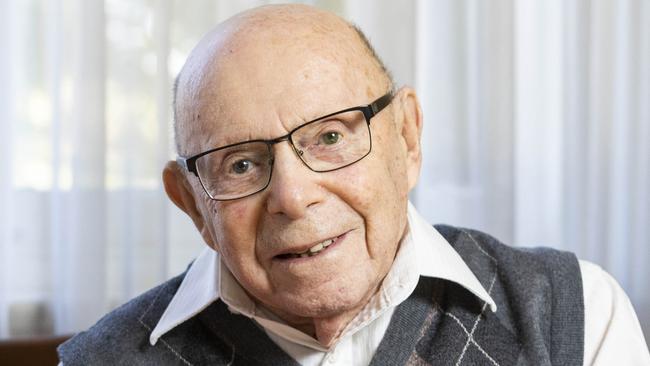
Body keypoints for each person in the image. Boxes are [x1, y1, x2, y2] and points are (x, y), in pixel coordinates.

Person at [58, 4, 650, 365]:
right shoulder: (103, 362)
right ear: (193, 205)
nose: (293, 196)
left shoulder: (577, 313)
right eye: (240, 165)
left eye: (331, 138)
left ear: (408, 138)